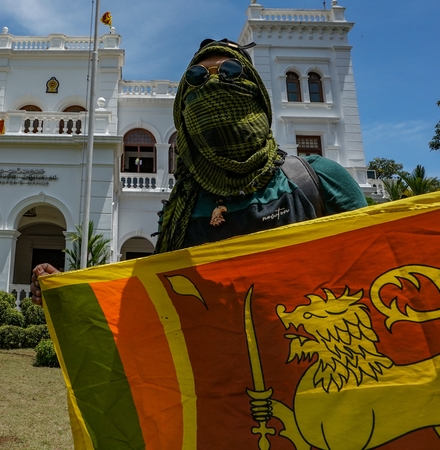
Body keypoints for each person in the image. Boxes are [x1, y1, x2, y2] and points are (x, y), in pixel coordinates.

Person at [30, 38, 367, 305]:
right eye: (198, 78)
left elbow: (377, 266)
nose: (214, 83)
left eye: (231, 71)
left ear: (258, 96)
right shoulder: (182, 209)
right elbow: (149, 299)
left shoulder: (316, 179)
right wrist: (67, 292)